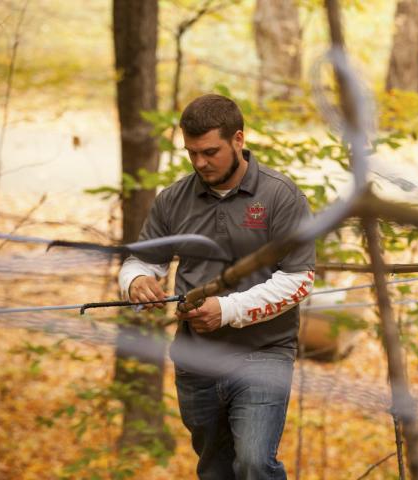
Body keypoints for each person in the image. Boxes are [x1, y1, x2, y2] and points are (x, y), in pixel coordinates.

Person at [119, 94, 315, 480]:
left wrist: (227, 310)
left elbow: (299, 279)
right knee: (214, 470)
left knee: (255, 463)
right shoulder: (174, 199)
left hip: (264, 353)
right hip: (196, 359)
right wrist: (137, 281)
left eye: (210, 152)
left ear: (238, 140)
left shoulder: (280, 196)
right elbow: (140, 261)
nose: (200, 163)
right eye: (192, 153)